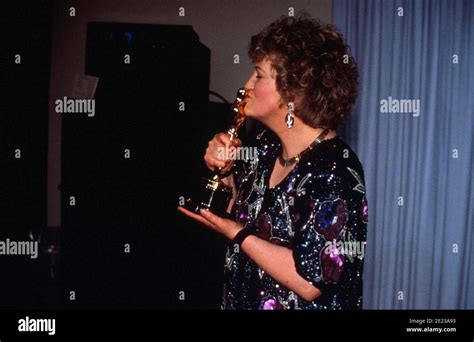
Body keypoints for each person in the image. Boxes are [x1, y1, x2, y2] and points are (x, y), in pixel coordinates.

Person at [178, 14, 367, 310]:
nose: (246, 85)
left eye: (259, 75)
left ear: (292, 90)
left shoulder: (335, 168)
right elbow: (240, 213)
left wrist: (235, 233)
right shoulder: (265, 147)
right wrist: (225, 173)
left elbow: (310, 282)